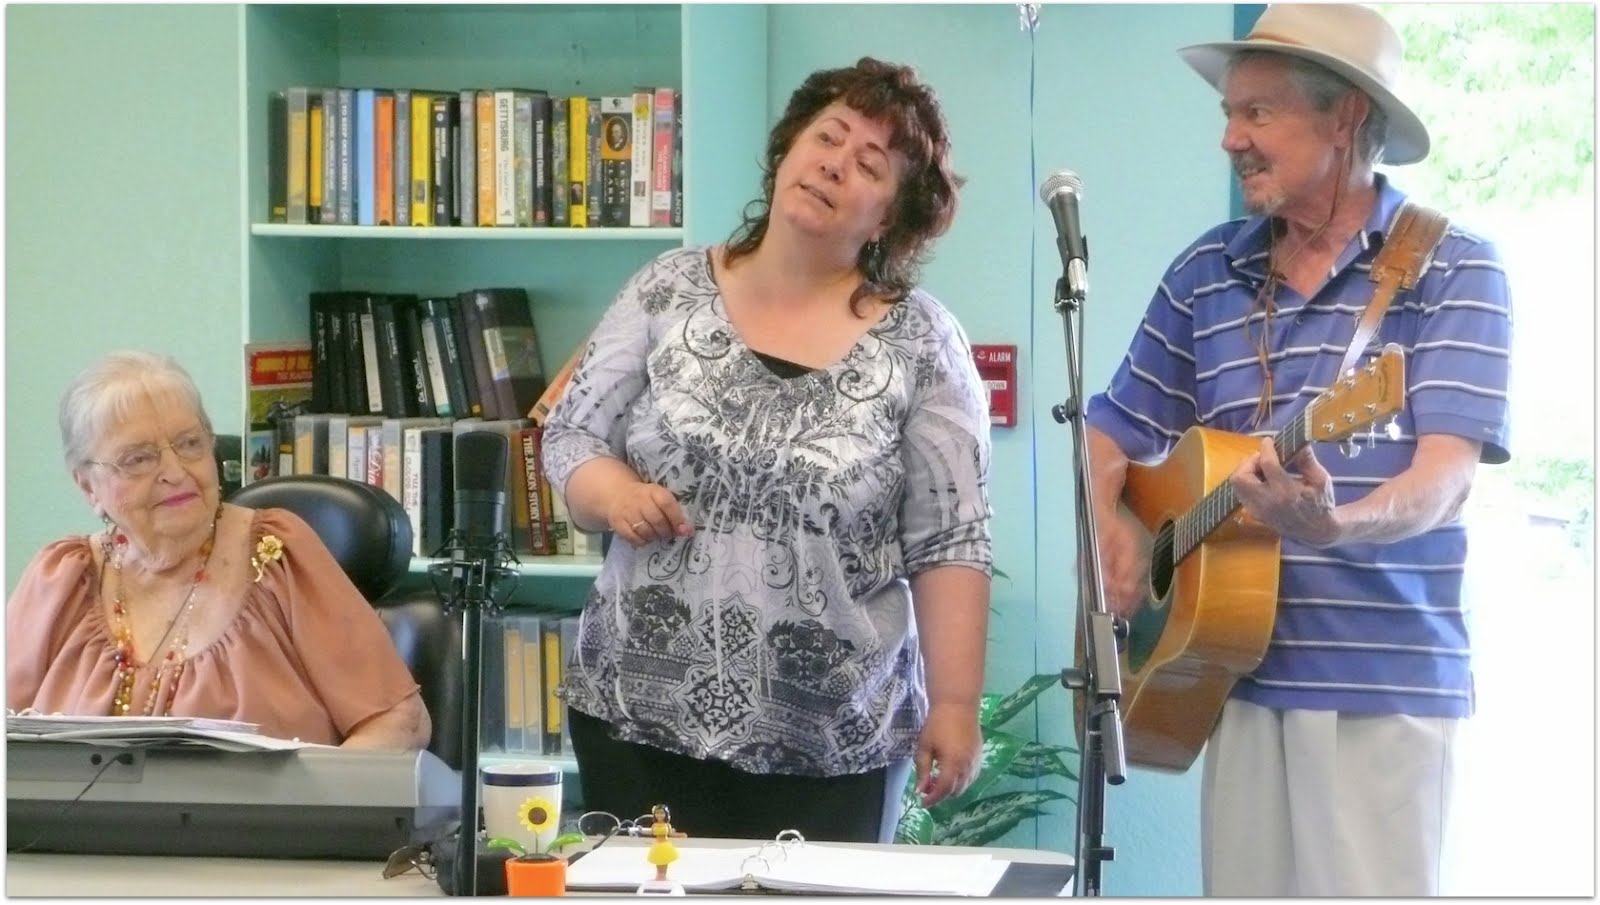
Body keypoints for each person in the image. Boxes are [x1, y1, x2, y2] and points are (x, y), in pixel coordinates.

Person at [1084, 5, 1512, 896]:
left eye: (1258, 112)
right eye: (1228, 113)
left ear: (1345, 117)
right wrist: (1112, 533)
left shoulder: (1455, 267)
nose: (1230, 138)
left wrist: (1335, 524)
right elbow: (1107, 433)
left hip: (1382, 686)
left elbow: (1444, 479)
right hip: (1229, 671)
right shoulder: (1205, 273)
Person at [542, 57, 990, 844]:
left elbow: (952, 538)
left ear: (889, 218)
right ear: (787, 150)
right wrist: (613, 494)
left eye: (869, 165)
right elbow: (571, 433)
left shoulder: (924, 343)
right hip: (638, 718)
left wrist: (954, 705)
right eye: (827, 137)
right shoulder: (666, 288)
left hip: (837, 740)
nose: (835, 164)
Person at [7, 351, 431, 750]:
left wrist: (315, 798)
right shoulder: (61, 580)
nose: (175, 472)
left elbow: (400, 722)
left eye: (190, 443)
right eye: (138, 459)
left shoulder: (277, 556)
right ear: (87, 486)